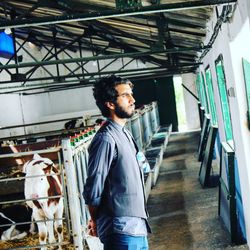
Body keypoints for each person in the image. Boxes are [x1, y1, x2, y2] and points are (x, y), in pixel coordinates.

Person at [83, 75, 151, 250]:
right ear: (110, 104)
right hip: (120, 229)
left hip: (137, 226)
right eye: (125, 95)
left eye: (131, 94)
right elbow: (93, 187)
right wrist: (95, 220)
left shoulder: (124, 132)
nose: (132, 100)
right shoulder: (106, 139)